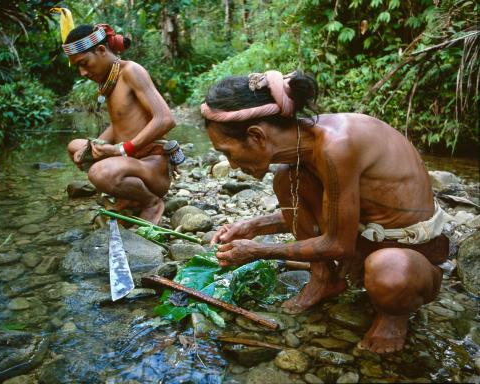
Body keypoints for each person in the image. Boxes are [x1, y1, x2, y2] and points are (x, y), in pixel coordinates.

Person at [201, 70, 451, 354]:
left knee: (388, 272)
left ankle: (394, 315)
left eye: (227, 152)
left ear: (256, 136)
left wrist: (257, 250)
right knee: (286, 178)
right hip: (362, 243)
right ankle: (324, 279)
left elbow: (338, 244)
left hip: (411, 258)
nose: (232, 165)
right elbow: (335, 212)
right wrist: (254, 226)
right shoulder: (304, 152)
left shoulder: (336, 147)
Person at [65, 24, 175, 224]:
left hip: (150, 165)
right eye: (78, 67)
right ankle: (128, 196)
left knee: (99, 173)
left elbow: (165, 119)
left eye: (84, 63)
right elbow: (119, 125)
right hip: (128, 161)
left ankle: (151, 202)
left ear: (101, 50)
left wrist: (120, 150)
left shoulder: (131, 71)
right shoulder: (109, 80)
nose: (82, 72)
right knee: (75, 147)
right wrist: (95, 146)